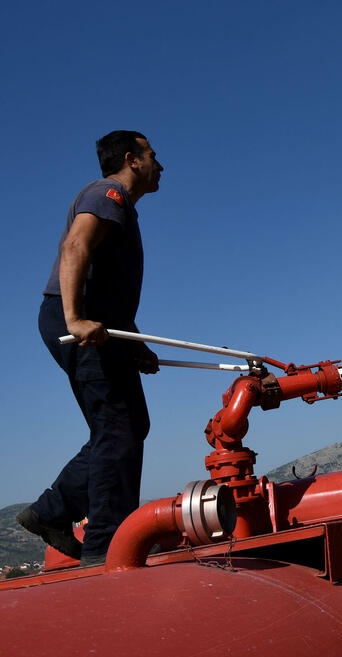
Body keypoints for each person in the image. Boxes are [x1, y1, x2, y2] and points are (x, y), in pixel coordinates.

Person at [17, 131, 164, 566]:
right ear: (131, 160)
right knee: (117, 427)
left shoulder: (122, 206)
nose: (161, 165)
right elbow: (74, 246)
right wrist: (75, 319)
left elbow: (111, 291)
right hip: (73, 321)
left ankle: (52, 512)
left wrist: (134, 343)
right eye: (153, 156)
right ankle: (103, 549)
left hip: (102, 326)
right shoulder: (108, 193)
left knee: (128, 424)